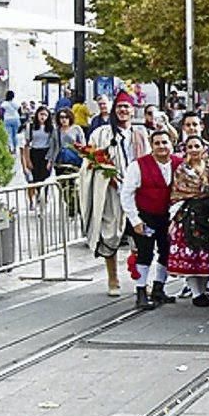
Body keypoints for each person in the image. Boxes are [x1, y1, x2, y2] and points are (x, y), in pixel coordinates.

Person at [80, 92, 150, 296]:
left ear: (132, 110)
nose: (123, 111)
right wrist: (106, 175)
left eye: (126, 107)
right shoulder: (101, 133)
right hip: (111, 192)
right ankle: (113, 278)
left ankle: (141, 280)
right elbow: (90, 160)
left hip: (137, 192)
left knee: (140, 236)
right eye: (119, 107)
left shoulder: (141, 133)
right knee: (109, 234)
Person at [120, 130, 181, 310]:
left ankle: (159, 288)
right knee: (145, 254)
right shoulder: (138, 166)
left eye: (165, 142)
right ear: (151, 145)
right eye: (157, 143)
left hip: (168, 217)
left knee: (166, 251)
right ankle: (140, 292)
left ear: (171, 144)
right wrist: (135, 220)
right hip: (145, 215)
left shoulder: (179, 164)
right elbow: (127, 194)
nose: (161, 146)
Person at [167, 136, 209, 307]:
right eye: (191, 146)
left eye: (197, 145)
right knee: (191, 253)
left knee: (206, 254)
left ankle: (203, 290)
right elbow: (178, 191)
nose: (194, 149)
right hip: (189, 213)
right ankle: (196, 293)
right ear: (186, 149)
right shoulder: (182, 170)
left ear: (204, 148)